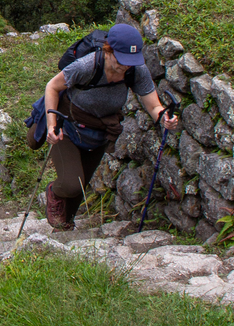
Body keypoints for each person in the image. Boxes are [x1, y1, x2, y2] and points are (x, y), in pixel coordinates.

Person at [38, 24, 178, 229]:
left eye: (130, 62)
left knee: (82, 185)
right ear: (108, 50)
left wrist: (164, 117)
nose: (125, 66)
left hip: (99, 132)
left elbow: (153, 105)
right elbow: (52, 86)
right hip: (68, 126)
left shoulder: (136, 71)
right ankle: (54, 191)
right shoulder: (87, 66)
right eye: (121, 60)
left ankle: (65, 228)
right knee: (71, 183)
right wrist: (52, 125)